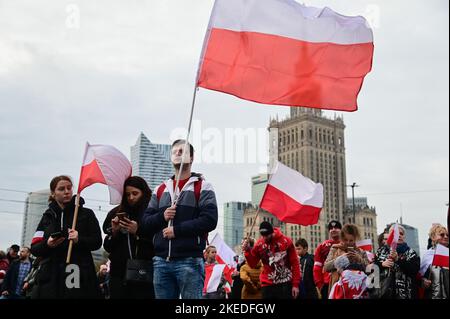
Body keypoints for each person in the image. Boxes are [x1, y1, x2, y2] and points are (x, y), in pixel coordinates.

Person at [141, 140, 218, 299]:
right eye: (175, 151)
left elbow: (210, 220)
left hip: (189, 261)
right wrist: (162, 216)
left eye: (182, 151)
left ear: (192, 157)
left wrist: (177, 230)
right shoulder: (160, 189)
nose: (177, 153)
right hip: (161, 262)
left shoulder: (203, 187)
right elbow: (146, 222)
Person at [30, 175, 102, 298]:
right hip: (51, 274)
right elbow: (35, 248)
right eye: (61, 189)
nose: (67, 191)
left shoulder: (86, 214)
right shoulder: (47, 217)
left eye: (69, 188)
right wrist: (47, 244)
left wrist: (79, 239)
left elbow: (97, 242)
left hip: (75, 271)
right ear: (53, 193)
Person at [103, 176, 154, 299]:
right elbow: (108, 247)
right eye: (127, 195)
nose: (131, 198)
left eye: (135, 193)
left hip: (144, 271)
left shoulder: (151, 213)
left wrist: (138, 232)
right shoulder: (116, 213)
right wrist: (114, 232)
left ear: (144, 192)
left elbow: (157, 243)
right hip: (118, 273)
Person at [242, 221, 300, 299]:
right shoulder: (259, 244)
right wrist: (247, 251)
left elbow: (295, 263)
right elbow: (252, 264)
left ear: (272, 232)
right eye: (263, 235)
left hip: (285, 284)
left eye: (267, 235)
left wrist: (295, 285)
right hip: (267, 286)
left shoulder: (286, 241)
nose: (265, 238)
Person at [375, 224, 420, 299]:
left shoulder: (412, 253)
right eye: (395, 233)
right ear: (390, 235)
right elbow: (372, 271)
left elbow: (414, 271)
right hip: (383, 293)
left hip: (406, 294)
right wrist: (382, 264)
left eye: (401, 234)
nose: (398, 235)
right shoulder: (380, 251)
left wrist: (398, 260)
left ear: (404, 237)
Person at [324, 224, 369, 299]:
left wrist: (359, 259)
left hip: (357, 291)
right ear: (341, 238)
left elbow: (369, 269)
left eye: (351, 240)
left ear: (355, 239)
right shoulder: (335, 249)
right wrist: (340, 260)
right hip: (338, 290)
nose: (348, 242)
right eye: (345, 240)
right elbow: (326, 267)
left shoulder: (361, 252)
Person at [313, 220, 342, 299]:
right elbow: (317, 268)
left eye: (336, 228)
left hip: (343, 281)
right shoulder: (322, 246)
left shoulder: (347, 244)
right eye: (331, 228)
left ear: (341, 230)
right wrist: (320, 285)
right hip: (327, 283)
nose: (333, 230)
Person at [420, 224, 449, 299]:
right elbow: (421, 277)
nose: (445, 237)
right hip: (433, 295)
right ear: (433, 237)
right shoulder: (428, 255)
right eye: (442, 235)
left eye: (447, 235)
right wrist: (423, 281)